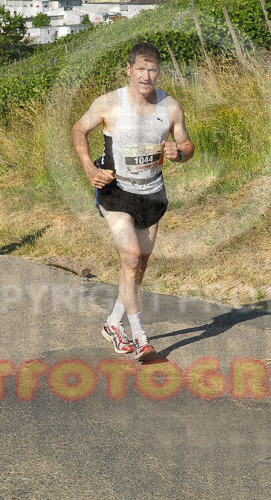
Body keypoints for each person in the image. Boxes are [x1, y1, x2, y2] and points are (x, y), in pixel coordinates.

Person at [71, 42, 194, 362]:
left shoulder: (171, 107)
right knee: (130, 257)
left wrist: (178, 153)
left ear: (158, 73)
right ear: (129, 70)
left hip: (152, 192)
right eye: (140, 68)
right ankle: (140, 337)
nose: (146, 75)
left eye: (152, 69)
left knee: (139, 267)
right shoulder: (109, 103)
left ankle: (113, 323)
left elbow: (187, 145)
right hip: (116, 190)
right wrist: (89, 169)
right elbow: (78, 130)